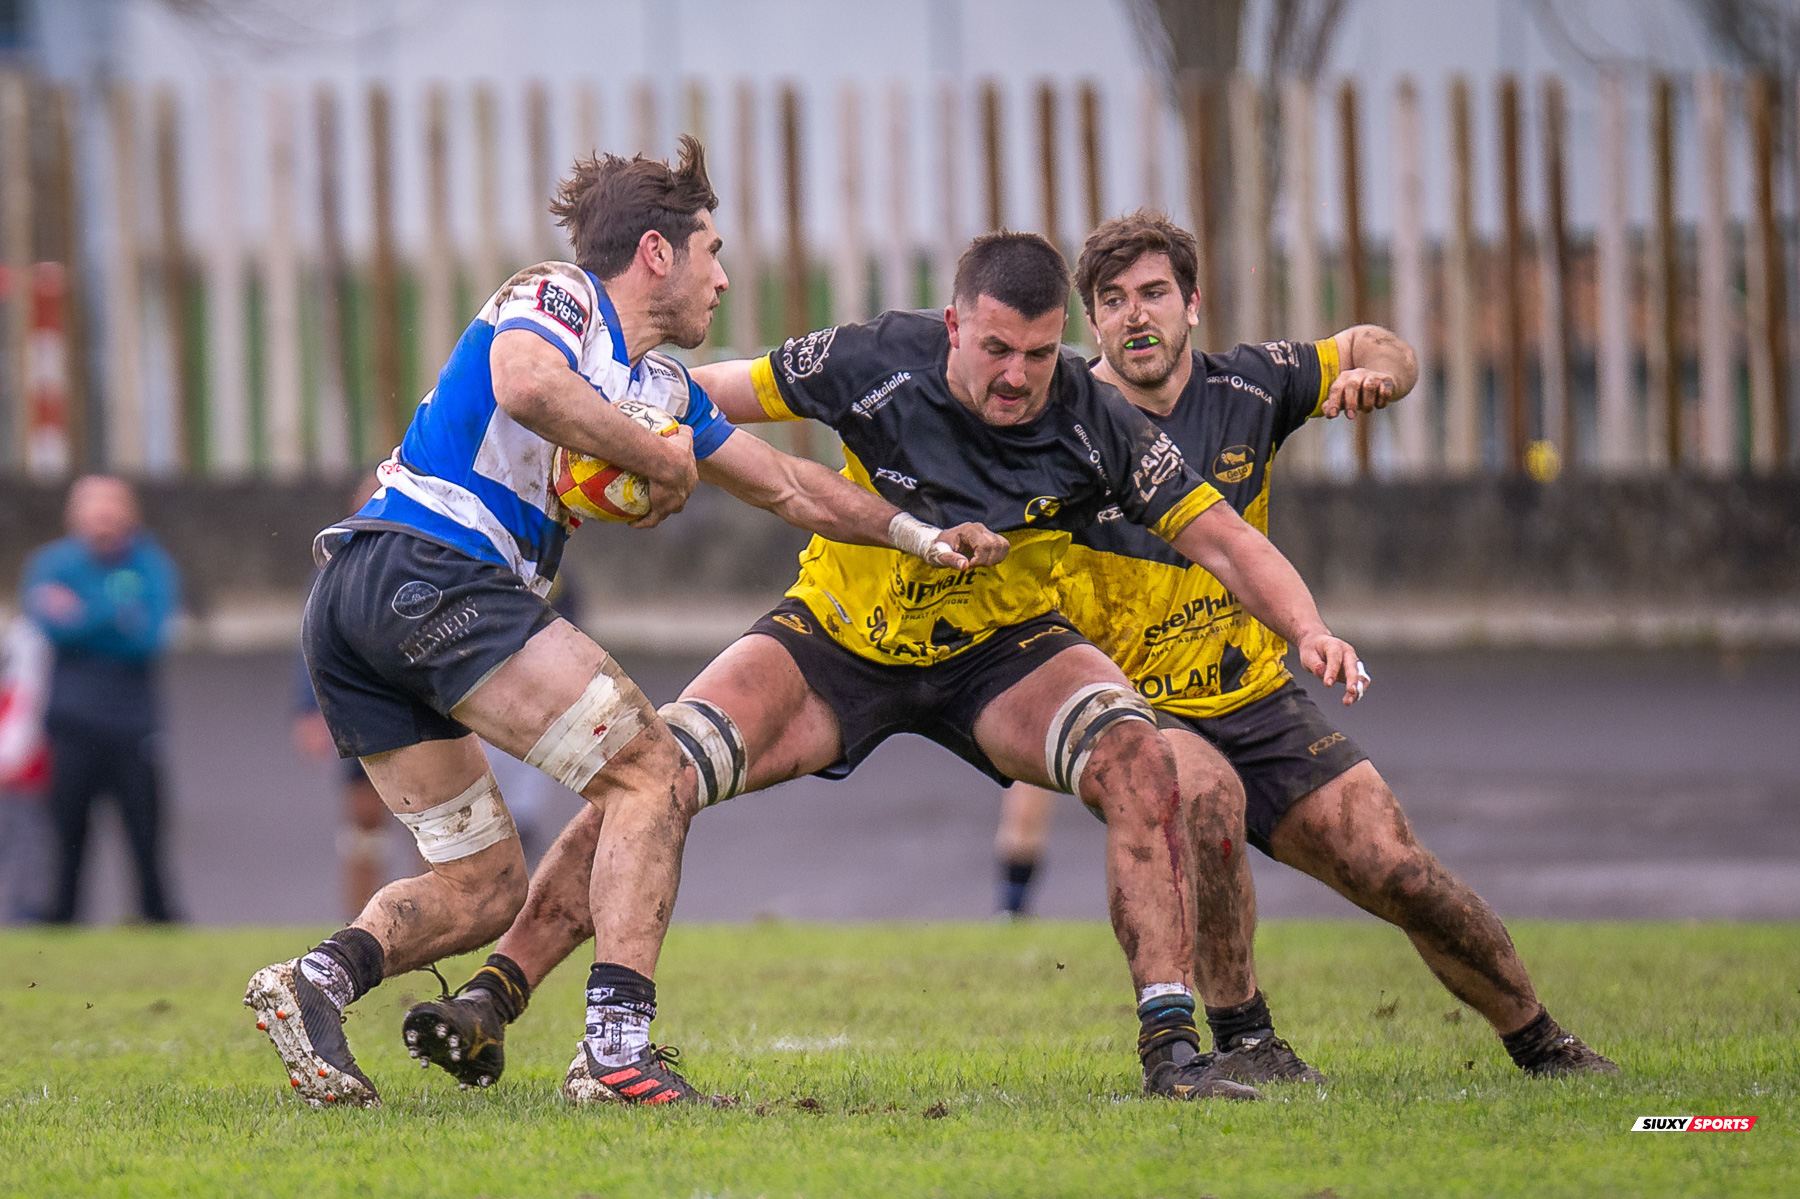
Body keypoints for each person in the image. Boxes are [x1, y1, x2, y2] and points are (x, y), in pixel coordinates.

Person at [412, 230, 1374, 1106]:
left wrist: (1308, 627)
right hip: (837, 638)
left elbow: (1227, 541)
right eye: (996, 349)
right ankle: (496, 994)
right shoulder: (873, 359)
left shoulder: (1097, 420)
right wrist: (617, 416)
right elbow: (711, 391)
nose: (1017, 377)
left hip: (999, 654)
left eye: (1040, 355)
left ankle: (1173, 1050)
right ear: (953, 324)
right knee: (659, 769)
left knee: (1139, 754)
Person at [243, 136, 1003, 1110]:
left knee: (483, 886)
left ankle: (318, 981)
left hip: (363, 603)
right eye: (712, 252)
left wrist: (919, 533)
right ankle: (614, 1049)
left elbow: (790, 485)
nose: (723, 280)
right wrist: (659, 462)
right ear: (657, 252)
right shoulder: (558, 295)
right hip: (426, 571)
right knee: (651, 771)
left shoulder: (664, 388)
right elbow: (525, 384)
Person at [996, 210, 1616, 1080]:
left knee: (1393, 864)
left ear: (1193, 304)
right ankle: (1249, 1041)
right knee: (1202, 797)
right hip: (1132, 708)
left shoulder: (1252, 387)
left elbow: (1378, 343)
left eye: (1154, 294)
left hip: (1254, 695)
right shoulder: (1054, 414)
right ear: (1091, 321)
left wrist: (1384, 381)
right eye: (1113, 300)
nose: (1137, 315)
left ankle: (1546, 1045)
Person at [23, 475, 181, 924]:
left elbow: (146, 638)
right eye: (92, 505)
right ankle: (61, 925)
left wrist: (82, 613)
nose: (103, 515)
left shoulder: (151, 565)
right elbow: (50, 627)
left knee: (146, 838)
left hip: (134, 725)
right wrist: (114, 614)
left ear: (130, 511)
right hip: (70, 724)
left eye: (112, 504)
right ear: (73, 513)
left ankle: (157, 921)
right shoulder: (50, 564)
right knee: (66, 840)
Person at [0, 614, 54, 922]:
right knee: (21, 838)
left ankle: (24, 908)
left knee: (24, 838)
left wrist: (9, 762)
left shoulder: (28, 675)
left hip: (25, 774)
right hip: (23, 771)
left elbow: (23, 718)